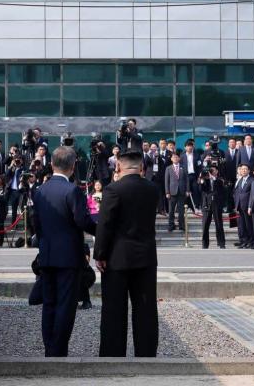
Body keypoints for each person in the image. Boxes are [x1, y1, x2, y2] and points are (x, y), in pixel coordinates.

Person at [95, 149, 160, 357]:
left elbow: (105, 224)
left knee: (114, 310)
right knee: (146, 310)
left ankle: (113, 354)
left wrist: (100, 254)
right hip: (146, 257)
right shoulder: (152, 189)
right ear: (142, 168)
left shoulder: (113, 189)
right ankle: (147, 353)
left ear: (118, 167)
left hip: (117, 258)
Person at [32, 146, 97, 357]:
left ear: (51, 164)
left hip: (47, 255)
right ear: (73, 166)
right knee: (66, 306)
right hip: (69, 258)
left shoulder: (40, 191)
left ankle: (48, 347)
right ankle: (57, 351)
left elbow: (37, 224)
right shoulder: (72, 191)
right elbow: (82, 221)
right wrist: (103, 227)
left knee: (49, 303)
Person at [199, 165, 225, 249]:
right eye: (210, 170)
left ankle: (221, 243)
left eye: (213, 170)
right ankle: (205, 244)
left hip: (217, 204)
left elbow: (221, 188)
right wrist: (202, 178)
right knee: (205, 225)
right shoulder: (205, 179)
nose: (211, 172)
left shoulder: (219, 179)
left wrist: (213, 178)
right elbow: (201, 189)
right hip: (206, 204)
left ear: (217, 171)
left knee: (219, 224)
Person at [164, 152, 189, 232]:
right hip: (172, 192)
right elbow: (166, 181)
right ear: (171, 159)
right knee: (171, 210)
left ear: (179, 158)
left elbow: (187, 180)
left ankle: (181, 225)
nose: (175, 158)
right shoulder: (168, 168)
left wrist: (187, 190)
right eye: (173, 157)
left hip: (181, 191)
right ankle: (171, 225)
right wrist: (167, 192)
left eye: (177, 157)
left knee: (181, 210)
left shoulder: (183, 167)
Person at [233, 164, 253, 248]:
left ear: (249, 171)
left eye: (245, 169)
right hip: (240, 206)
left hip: (247, 206)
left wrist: (250, 206)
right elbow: (236, 193)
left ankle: (251, 241)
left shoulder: (251, 180)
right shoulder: (240, 180)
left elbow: (252, 195)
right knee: (242, 225)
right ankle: (244, 241)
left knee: (249, 225)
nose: (243, 170)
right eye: (242, 169)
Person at [180, 140, 202, 214]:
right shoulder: (182, 156)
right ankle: (189, 207)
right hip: (186, 176)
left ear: (193, 147)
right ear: (185, 147)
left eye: (191, 146)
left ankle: (196, 206)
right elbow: (181, 167)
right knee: (187, 191)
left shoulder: (196, 155)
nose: (189, 148)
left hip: (194, 176)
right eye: (188, 146)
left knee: (196, 191)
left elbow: (199, 166)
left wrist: (199, 176)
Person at [78, 244, 95, 310]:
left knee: (81, 274)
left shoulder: (84, 247)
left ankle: (86, 301)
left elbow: (85, 263)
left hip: (86, 274)